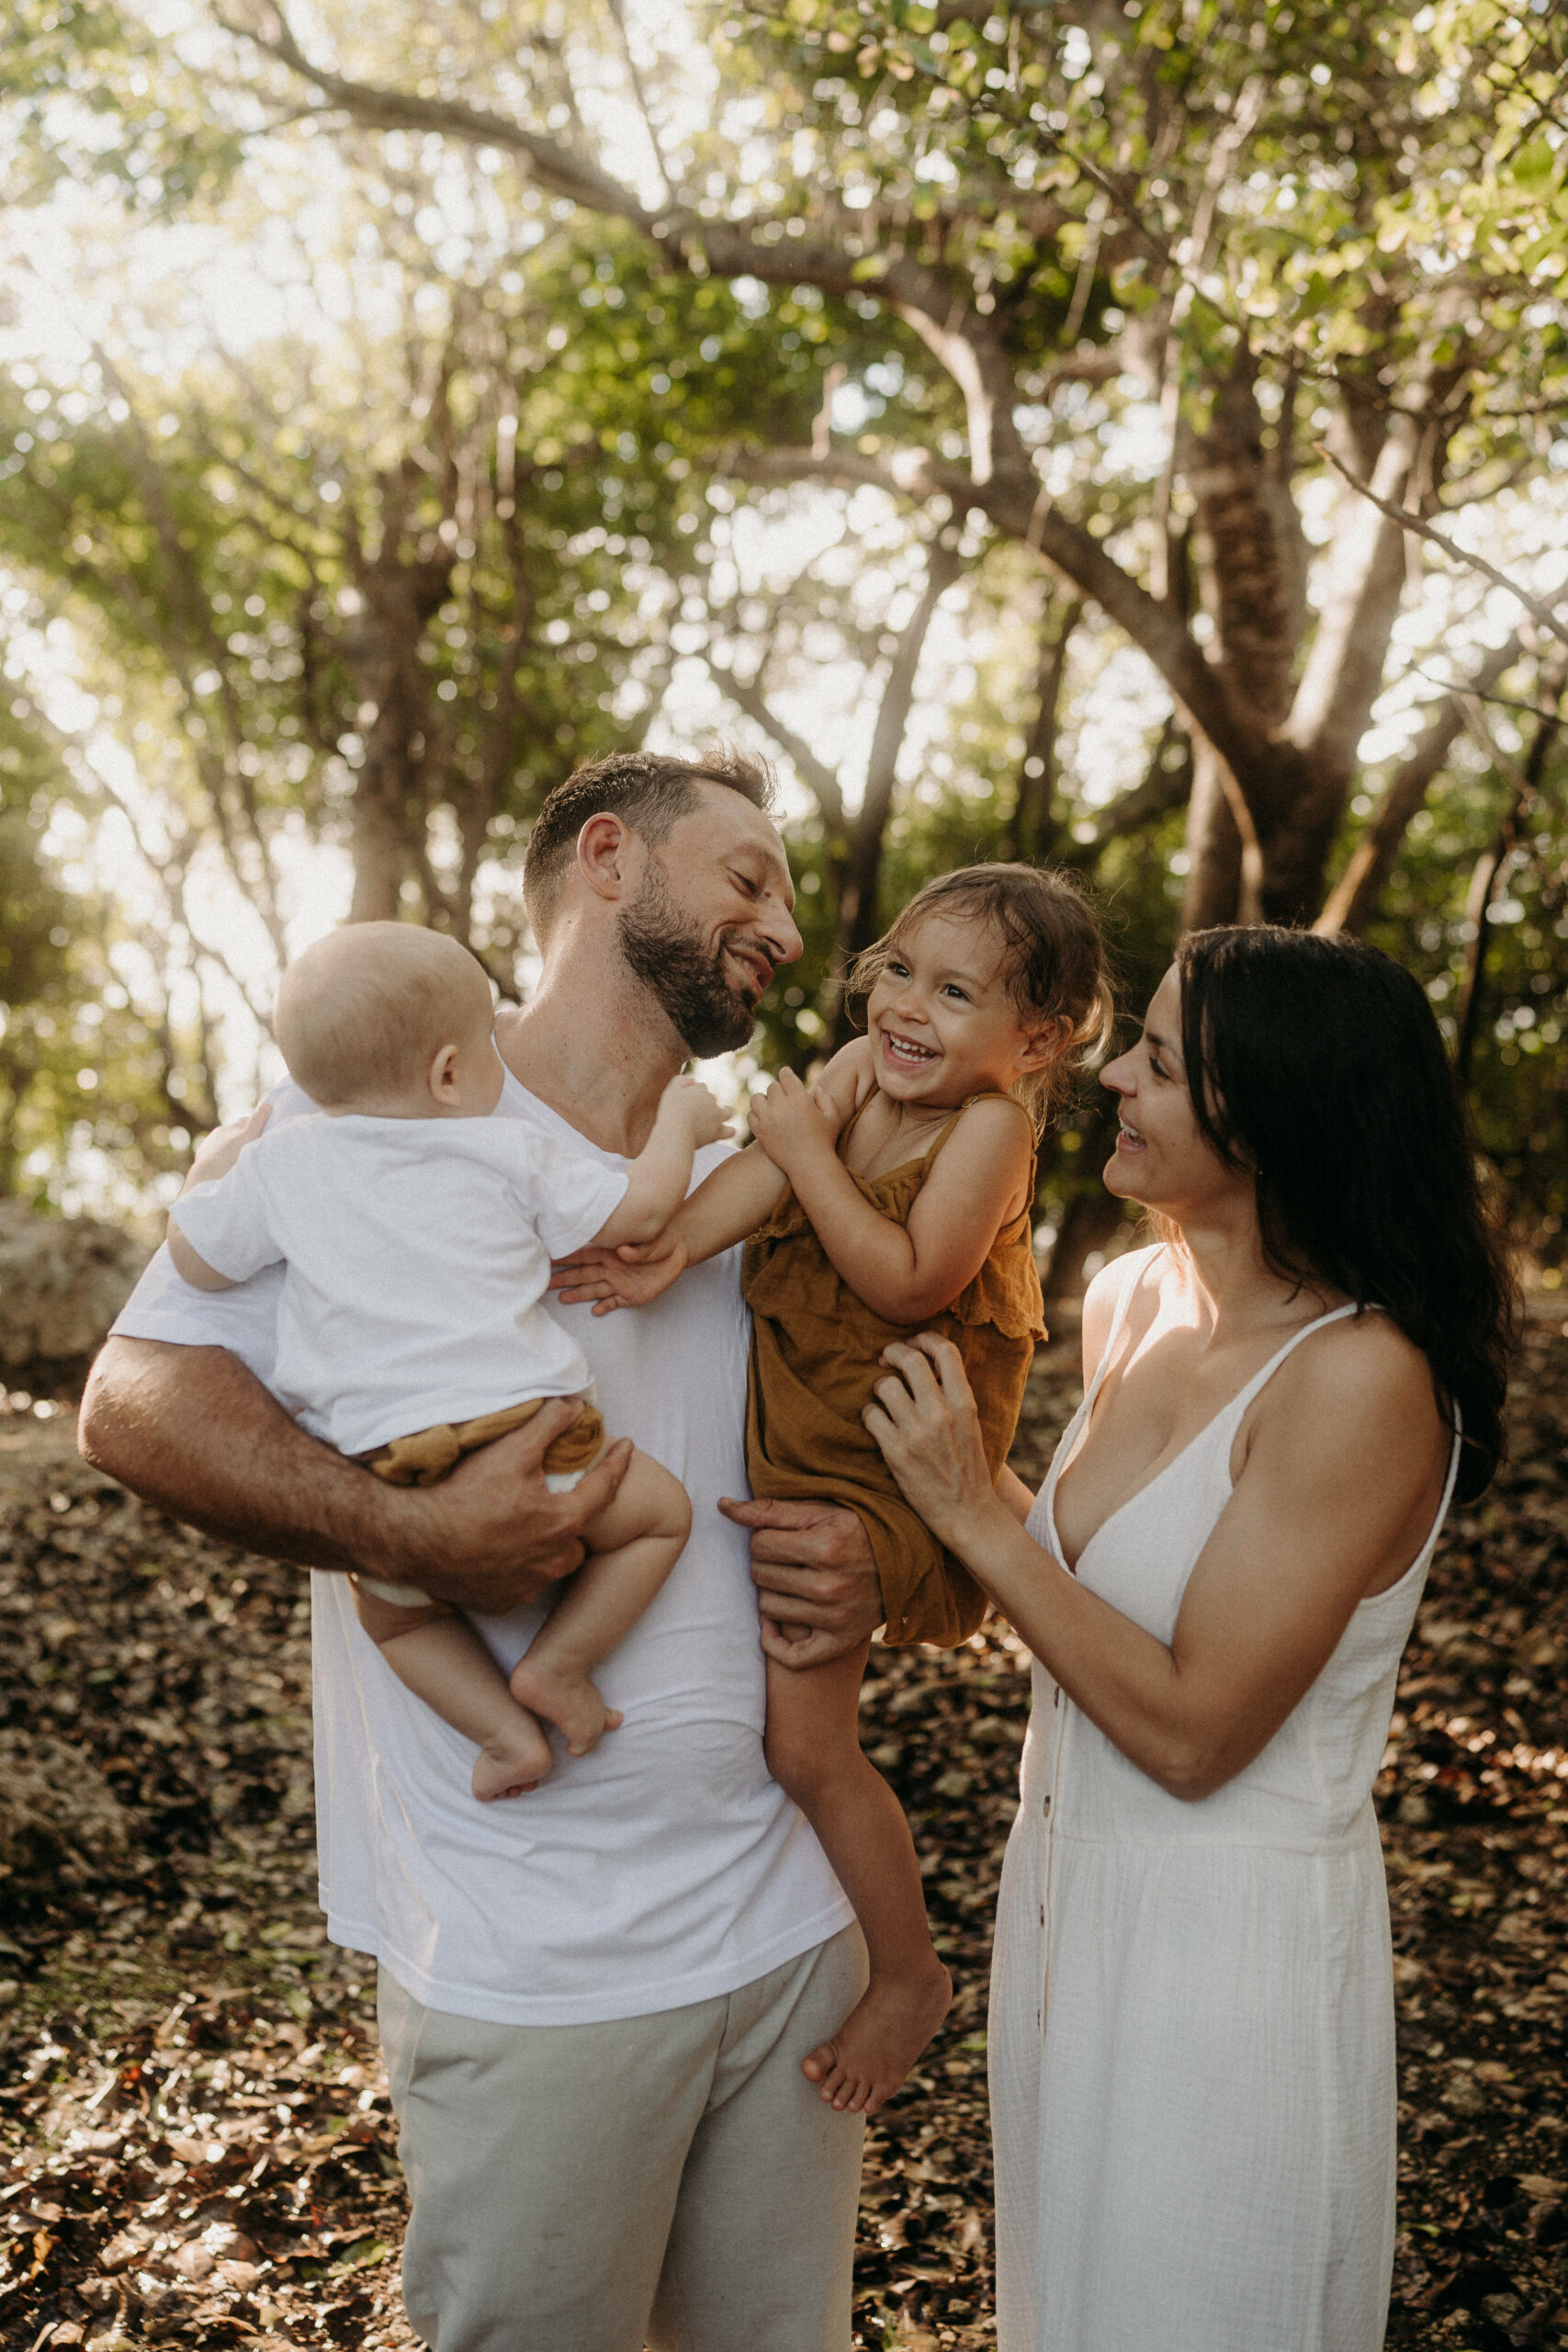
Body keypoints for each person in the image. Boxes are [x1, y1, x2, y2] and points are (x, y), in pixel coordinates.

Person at [79, 746, 889, 2352]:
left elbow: (834, 1436)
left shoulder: (748, 1178)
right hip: (537, 1967)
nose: (784, 928)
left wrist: (875, 1568)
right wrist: (398, 1526)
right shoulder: (361, 1119)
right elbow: (128, 1400)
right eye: (747, 876)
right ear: (609, 860)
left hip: (791, 1930)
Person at [859, 925, 1517, 2352]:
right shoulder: (1133, 1298)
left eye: (1155, 1059)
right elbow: (1095, 1584)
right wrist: (890, 1542)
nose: (1107, 1075)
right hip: (1061, 1903)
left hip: (1227, 1956)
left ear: (1271, 1112)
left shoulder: (1359, 1379)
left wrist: (971, 1513)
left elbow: (1191, 1728)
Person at [557, 865, 1111, 2116]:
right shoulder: (868, 1070)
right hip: (802, 1426)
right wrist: (669, 1252)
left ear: (1032, 1041)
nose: (906, 1007)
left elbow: (909, 1278)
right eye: (898, 971)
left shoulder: (991, 1129)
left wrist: (802, 1151)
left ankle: (908, 1976)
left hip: (883, 1473)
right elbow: (755, 1181)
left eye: (953, 991)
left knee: (806, 1748)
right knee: (766, 1724)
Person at [167, 921, 726, 1802]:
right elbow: (642, 1211)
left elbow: (198, 1260)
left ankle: (504, 1735)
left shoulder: (280, 1166)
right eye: (490, 1046)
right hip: (527, 1431)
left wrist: (211, 1166)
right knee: (658, 1517)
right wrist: (684, 1122)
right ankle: (558, 1666)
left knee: (393, 1616)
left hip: (385, 1463)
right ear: (449, 1074)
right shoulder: (504, 1151)